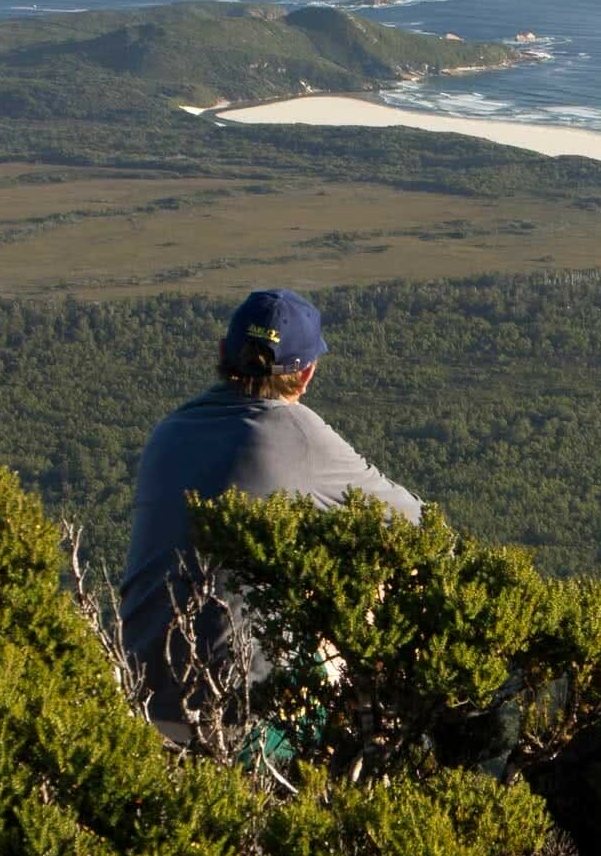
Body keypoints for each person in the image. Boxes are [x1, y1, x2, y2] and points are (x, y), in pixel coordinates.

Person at [120, 288, 424, 733]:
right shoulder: (299, 435)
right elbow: (418, 523)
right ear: (305, 375)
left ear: (223, 352)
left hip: (143, 704)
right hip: (243, 718)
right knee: (390, 573)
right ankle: (382, 757)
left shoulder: (168, 431)